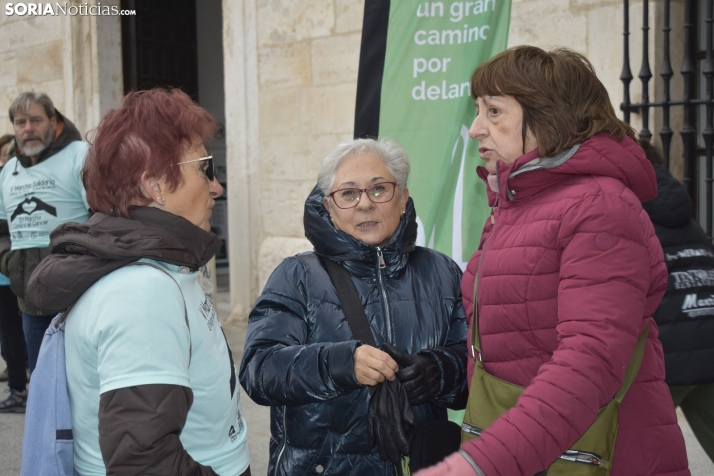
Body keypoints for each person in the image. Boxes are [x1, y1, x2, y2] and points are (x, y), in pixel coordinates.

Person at [416, 46, 690, 476]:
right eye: (478, 111)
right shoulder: (514, 205)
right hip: (528, 451)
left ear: (547, 116)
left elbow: (591, 359)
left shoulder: (599, 206)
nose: (475, 129)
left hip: (601, 456)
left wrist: (481, 463)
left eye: (493, 111)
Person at [26, 88, 250, 476]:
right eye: (205, 167)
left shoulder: (165, 267)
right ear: (154, 187)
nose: (216, 186)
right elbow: (144, 462)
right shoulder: (142, 291)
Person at [239, 138, 468, 475]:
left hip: (417, 464)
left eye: (379, 189)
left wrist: (439, 372)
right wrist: (339, 363)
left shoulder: (442, 272)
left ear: (403, 199)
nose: (365, 204)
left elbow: (477, 364)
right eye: (348, 194)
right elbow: (258, 369)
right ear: (328, 207)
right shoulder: (297, 275)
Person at [0, 92, 90, 382]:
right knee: (43, 386)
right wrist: (9, 262)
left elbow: (105, 216)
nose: (28, 129)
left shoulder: (80, 155)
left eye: (36, 120)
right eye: (20, 122)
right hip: (29, 299)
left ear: (54, 121)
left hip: (78, 297)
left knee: (82, 384)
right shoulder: (7, 172)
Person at [640, 141, 714, 464]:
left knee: (631, 456)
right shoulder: (687, 218)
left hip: (666, 357)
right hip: (708, 343)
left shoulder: (630, 212)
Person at [0, 133, 28, 412]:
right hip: (13, 268)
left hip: (10, 273)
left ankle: (19, 388)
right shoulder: (9, 179)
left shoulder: (7, 179)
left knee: (11, 332)